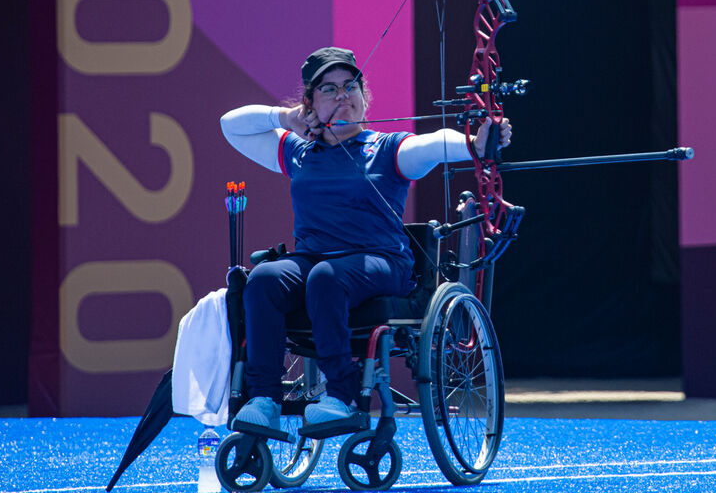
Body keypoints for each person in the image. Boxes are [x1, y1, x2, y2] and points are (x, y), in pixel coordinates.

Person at [219, 46, 512, 432]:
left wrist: (473, 145)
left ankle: (342, 396)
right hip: (315, 261)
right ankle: (264, 399)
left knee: (326, 276)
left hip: (381, 263)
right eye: (328, 89)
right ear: (309, 103)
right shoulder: (296, 151)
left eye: (350, 85)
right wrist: (285, 118)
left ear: (363, 96)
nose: (342, 95)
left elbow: (431, 143)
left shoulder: (386, 149)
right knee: (263, 279)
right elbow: (229, 124)